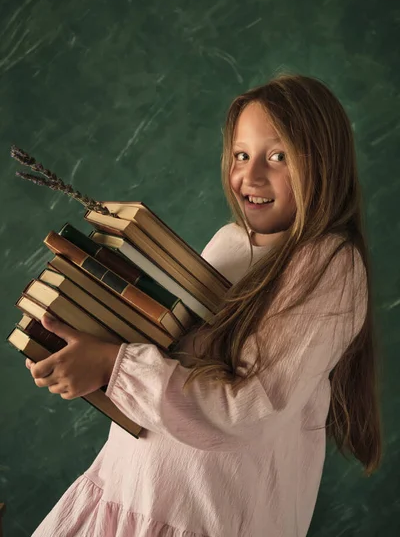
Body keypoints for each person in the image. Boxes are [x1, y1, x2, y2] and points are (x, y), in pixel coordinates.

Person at [27, 73, 382, 537]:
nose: (250, 176)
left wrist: (114, 366)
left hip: (202, 518)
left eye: (277, 156)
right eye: (241, 155)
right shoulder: (229, 242)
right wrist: (83, 350)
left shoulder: (329, 263)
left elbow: (245, 409)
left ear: (325, 164)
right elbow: (175, 365)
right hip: (126, 491)